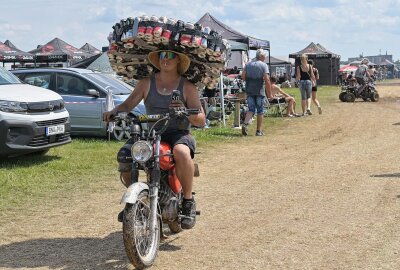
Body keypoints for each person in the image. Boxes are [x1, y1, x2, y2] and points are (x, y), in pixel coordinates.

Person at [103, 50, 206, 229]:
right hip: (151, 133)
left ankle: (188, 201)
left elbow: (201, 118)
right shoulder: (146, 83)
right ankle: (135, 202)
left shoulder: (187, 86)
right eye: (162, 56)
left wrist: (183, 109)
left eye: (170, 56)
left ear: (179, 61)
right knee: (125, 157)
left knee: (181, 152)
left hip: (178, 133)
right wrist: (114, 112)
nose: (165, 59)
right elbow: (128, 105)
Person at [241, 49, 272, 136]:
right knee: (260, 111)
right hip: (259, 91)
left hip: (249, 90)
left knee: (251, 109)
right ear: (261, 56)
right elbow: (267, 80)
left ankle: (245, 123)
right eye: (265, 56)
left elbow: (243, 77)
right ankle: (258, 131)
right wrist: (269, 94)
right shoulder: (264, 65)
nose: (265, 57)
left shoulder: (248, 64)